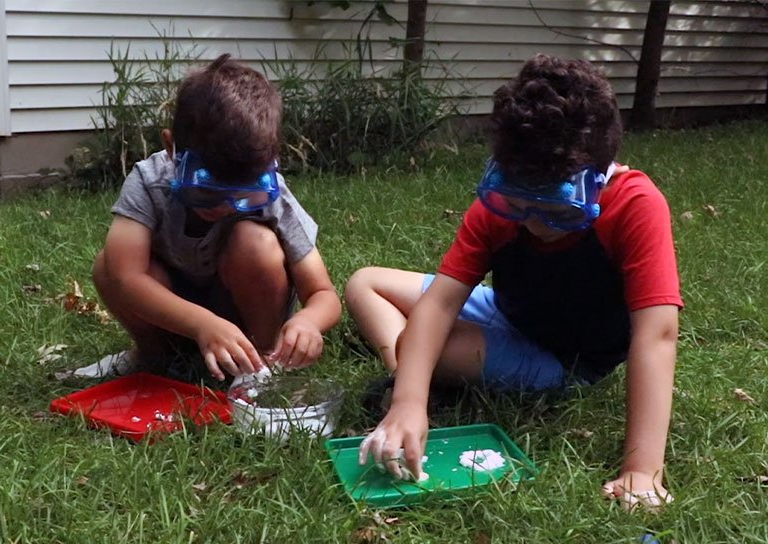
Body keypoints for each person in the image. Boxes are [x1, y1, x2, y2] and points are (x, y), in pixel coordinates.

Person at [345, 54, 681, 511]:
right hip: (505, 312)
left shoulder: (636, 205)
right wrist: (408, 400)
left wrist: (642, 470)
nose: (533, 222)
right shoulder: (500, 204)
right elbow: (441, 303)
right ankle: (409, 383)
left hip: (564, 360)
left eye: (557, 210)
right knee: (365, 284)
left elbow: (657, 335)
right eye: (519, 204)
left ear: (597, 182)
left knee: (425, 347)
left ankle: (418, 369)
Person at [74, 54, 341, 382]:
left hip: (246, 314)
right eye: (207, 191)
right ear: (171, 148)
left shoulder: (273, 195)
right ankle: (155, 356)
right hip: (175, 317)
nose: (226, 206)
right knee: (108, 265)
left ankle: (263, 362)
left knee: (255, 242)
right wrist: (202, 324)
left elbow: (323, 293)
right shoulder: (150, 180)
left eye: (243, 195)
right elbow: (125, 277)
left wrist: (308, 321)